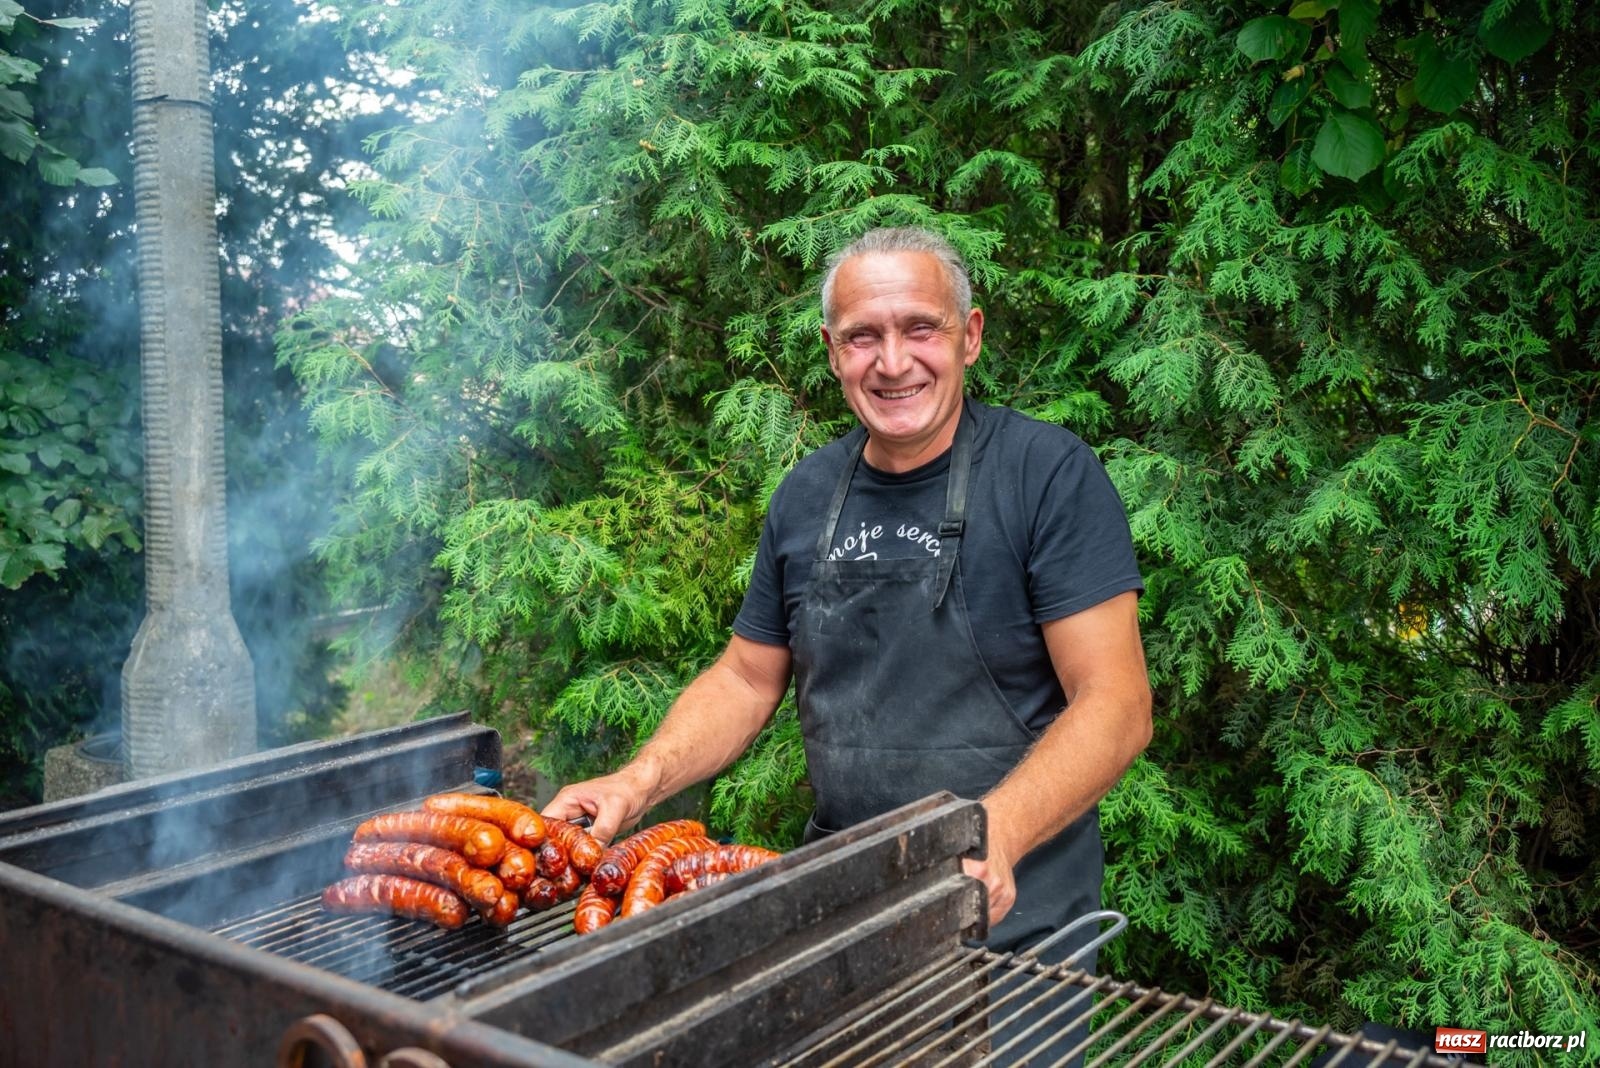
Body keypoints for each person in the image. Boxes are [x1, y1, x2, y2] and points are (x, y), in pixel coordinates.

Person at [544, 226, 1152, 1020]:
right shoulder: (807, 494)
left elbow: (1116, 703)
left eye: (919, 328)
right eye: (864, 336)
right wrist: (637, 781)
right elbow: (744, 677)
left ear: (969, 337)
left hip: (1016, 928)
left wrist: (992, 832)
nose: (892, 362)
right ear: (834, 351)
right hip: (839, 923)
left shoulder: (1047, 475)